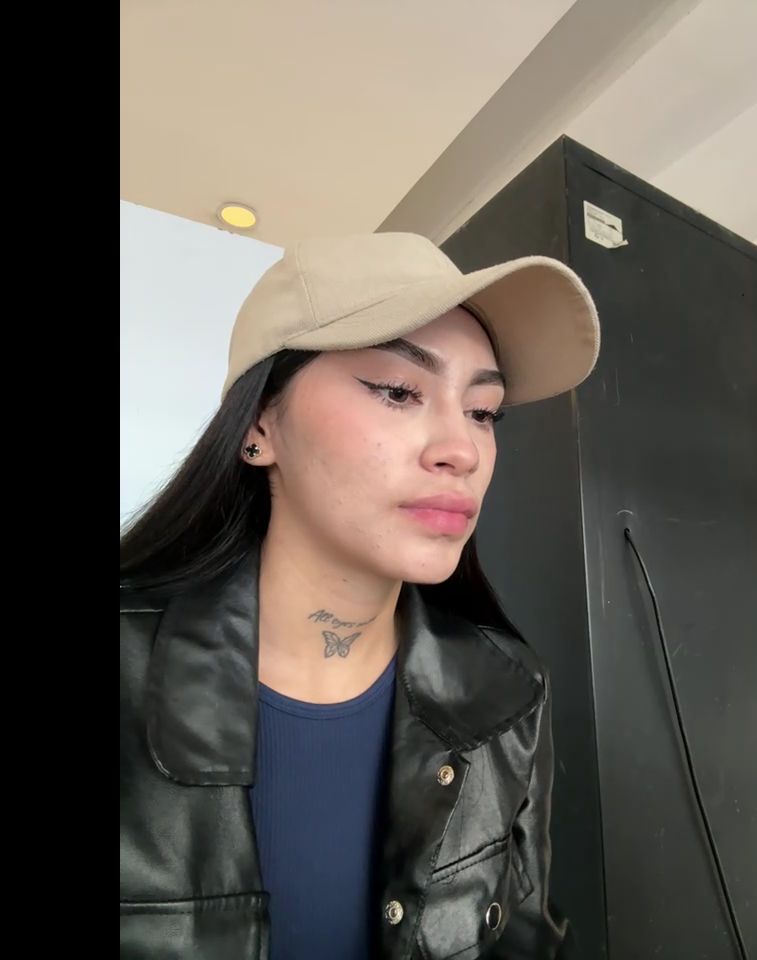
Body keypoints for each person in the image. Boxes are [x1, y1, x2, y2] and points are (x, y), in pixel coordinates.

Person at [120, 232, 600, 959]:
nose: (462, 450)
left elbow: (527, 941)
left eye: (483, 411)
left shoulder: (505, 693)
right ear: (259, 425)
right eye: (399, 392)